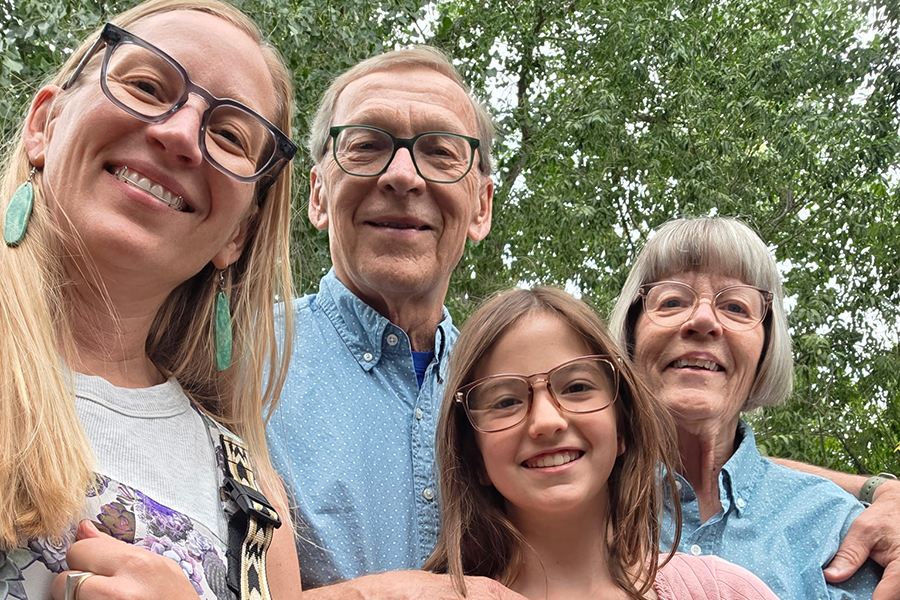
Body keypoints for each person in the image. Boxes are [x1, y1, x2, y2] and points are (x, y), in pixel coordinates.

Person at [0, 0, 300, 598]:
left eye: (230, 135)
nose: (180, 134)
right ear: (44, 126)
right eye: (144, 85)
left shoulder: (254, 498)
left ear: (237, 235)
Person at [267, 45, 502, 597]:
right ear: (319, 194)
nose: (402, 176)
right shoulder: (231, 361)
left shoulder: (517, 394)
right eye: (367, 146)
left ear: (481, 207)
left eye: (441, 152)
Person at [424, 286, 779, 599]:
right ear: (473, 455)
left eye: (577, 387)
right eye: (506, 401)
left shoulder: (723, 592)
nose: (547, 421)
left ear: (621, 426)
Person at [608, 216, 882, 599]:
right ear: (631, 335)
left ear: (766, 348)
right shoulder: (568, 507)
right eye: (672, 300)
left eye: (735, 307)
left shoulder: (835, 525)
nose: (702, 320)